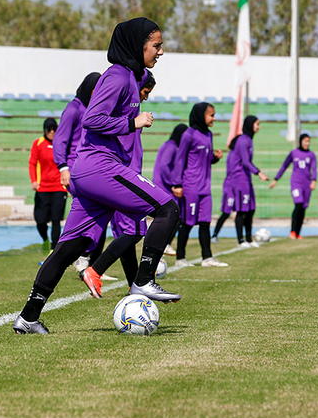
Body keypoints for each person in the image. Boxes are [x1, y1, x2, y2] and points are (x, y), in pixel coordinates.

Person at [14, 17, 182, 334]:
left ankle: (29, 316)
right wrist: (132, 123)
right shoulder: (118, 77)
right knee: (168, 208)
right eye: (157, 45)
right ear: (138, 44)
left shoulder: (132, 78)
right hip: (98, 166)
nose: (161, 52)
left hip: (93, 170)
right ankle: (144, 280)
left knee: (71, 247)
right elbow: (93, 119)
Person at [80, 73, 156, 298]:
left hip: (130, 176)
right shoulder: (124, 117)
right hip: (124, 178)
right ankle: (95, 270)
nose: (145, 98)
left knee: (130, 233)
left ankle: (134, 289)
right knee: (134, 231)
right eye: (144, 92)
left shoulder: (133, 116)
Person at [53, 72, 107, 274]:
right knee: (91, 212)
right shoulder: (73, 109)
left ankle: (90, 263)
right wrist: (63, 167)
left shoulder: (93, 109)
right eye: (96, 89)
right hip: (77, 170)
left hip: (92, 168)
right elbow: (61, 140)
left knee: (99, 211)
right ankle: (82, 259)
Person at [171, 102, 228, 268]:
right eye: (211, 115)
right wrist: (177, 184)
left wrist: (215, 157)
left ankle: (207, 258)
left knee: (205, 222)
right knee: (188, 222)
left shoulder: (208, 135)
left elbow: (206, 159)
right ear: (200, 115)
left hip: (205, 187)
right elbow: (180, 159)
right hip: (191, 186)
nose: (214, 118)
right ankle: (180, 258)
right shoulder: (189, 134)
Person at [211, 115, 270, 247]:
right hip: (239, 180)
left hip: (246, 178)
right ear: (250, 125)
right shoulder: (243, 140)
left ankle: (249, 238)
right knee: (240, 209)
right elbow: (245, 162)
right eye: (257, 124)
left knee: (250, 209)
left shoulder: (249, 140)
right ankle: (240, 240)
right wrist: (259, 172)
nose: (259, 126)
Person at [28, 118, 68, 253]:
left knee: (56, 220)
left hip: (59, 188)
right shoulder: (38, 144)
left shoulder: (62, 143)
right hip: (42, 188)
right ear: (44, 130)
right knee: (40, 220)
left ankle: (53, 249)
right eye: (49, 129)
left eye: (54, 129)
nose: (52, 132)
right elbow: (32, 163)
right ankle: (45, 239)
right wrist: (34, 180)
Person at [269, 133, 317, 239]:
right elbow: (284, 166)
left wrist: (314, 181)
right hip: (296, 183)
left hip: (306, 184)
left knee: (303, 208)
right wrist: (276, 179)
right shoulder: (294, 153)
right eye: (305, 141)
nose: (307, 143)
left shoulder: (311, 155)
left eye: (309, 141)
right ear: (300, 141)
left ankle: (298, 232)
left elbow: (314, 168)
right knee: (298, 204)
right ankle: (293, 231)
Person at [152, 123, 188, 256]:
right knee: (174, 216)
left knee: (174, 216)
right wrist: (173, 183)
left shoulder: (171, 145)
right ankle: (163, 244)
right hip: (164, 186)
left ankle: (163, 244)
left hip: (165, 185)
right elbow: (164, 166)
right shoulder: (171, 146)